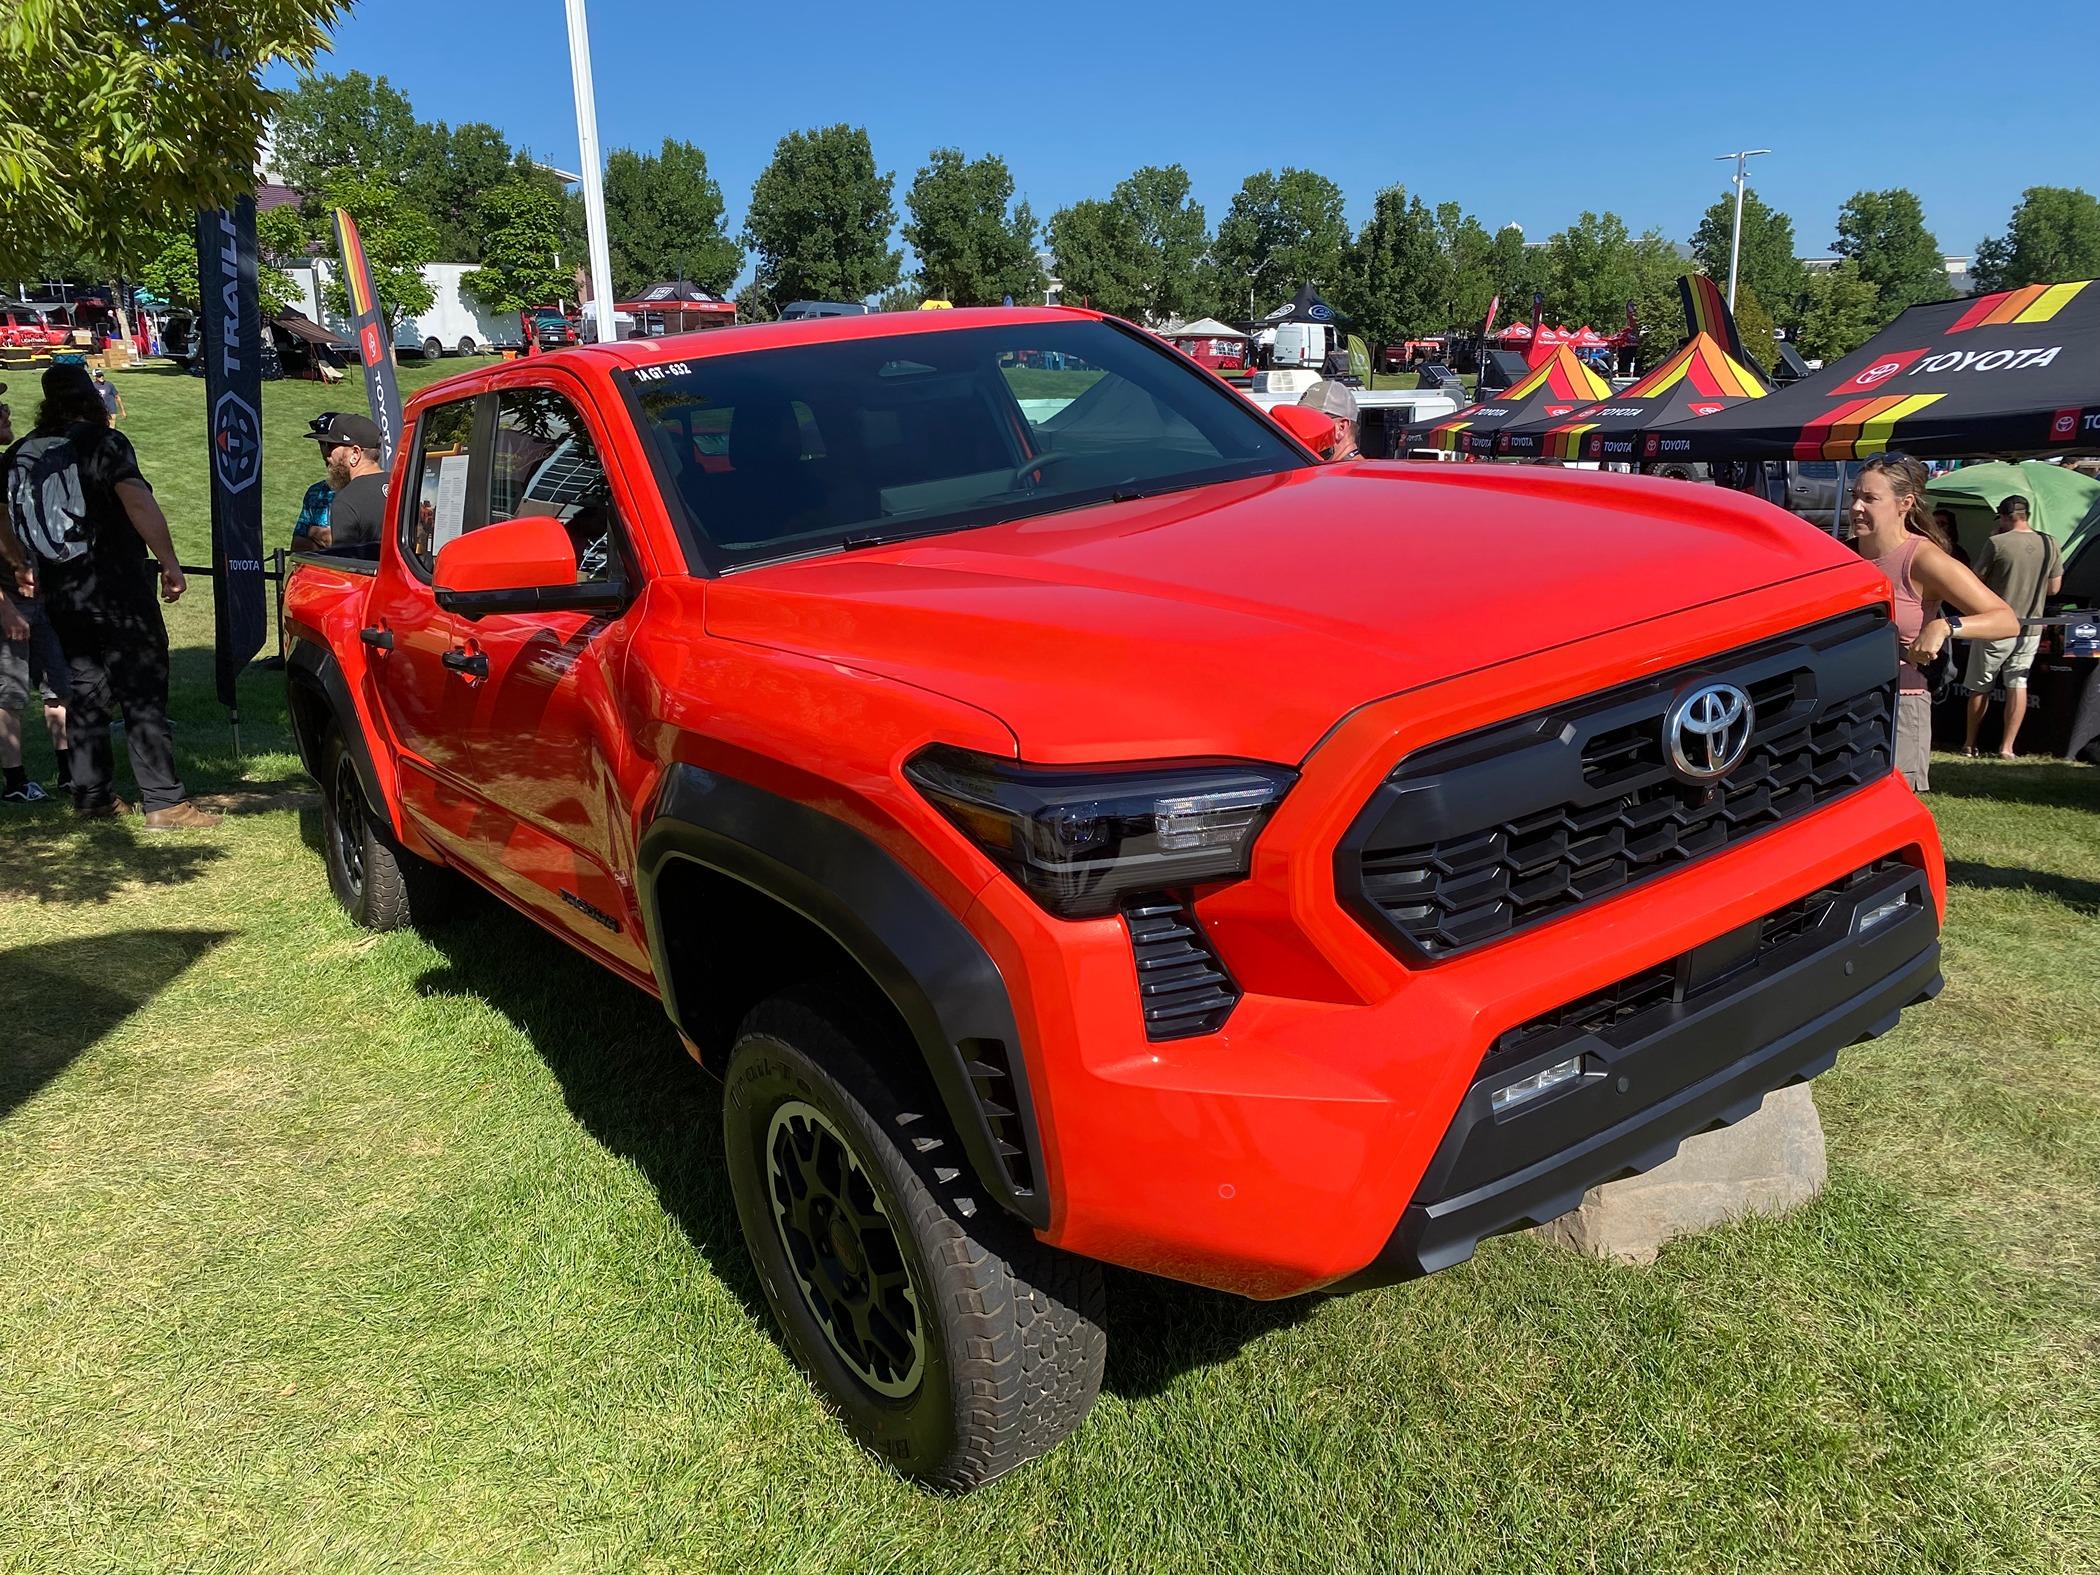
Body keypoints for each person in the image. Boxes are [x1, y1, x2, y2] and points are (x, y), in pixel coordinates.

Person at [8, 363, 218, 827]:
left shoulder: (22, 451)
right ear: (91, 398)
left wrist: (21, 563)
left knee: (84, 690)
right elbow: (137, 500)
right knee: (141, 688)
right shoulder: (105, 443)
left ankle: (93, 797)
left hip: (64, 592)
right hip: (117, 587)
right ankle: (165, 802)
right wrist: (170, 562)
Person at [1849, 453, 2017, 793]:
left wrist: (1944, 627)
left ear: (1905, 503)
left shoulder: (1923, 559)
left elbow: (2005, 619)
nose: (1855, 507)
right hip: (1846, 702)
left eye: (1869, 498)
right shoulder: (1843, 554)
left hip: (1900, 705)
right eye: (1854, 495)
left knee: (1888, 815)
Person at [1961, 494, 2063, 759]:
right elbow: (2054, 588)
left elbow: (1973, 582)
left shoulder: (1997, 542)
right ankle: (2007, 747)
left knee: (1980, 685)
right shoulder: (2050, 543)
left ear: (2004, 517)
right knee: (2017, 684)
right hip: (2031, 626)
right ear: (2026, 515)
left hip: (1995, 624)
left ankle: (1970, 743)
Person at [303, 412, 387, 548]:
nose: (327, 454)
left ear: (355, 454)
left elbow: (346, 562)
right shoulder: (402, 488)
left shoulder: (347, 501)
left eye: (331, 446)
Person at [1295, 379, 1360, 461]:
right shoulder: (1325, 470)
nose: (1301, 429)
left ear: (1341, 428)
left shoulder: (1357, 473)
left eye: (1310, 421)